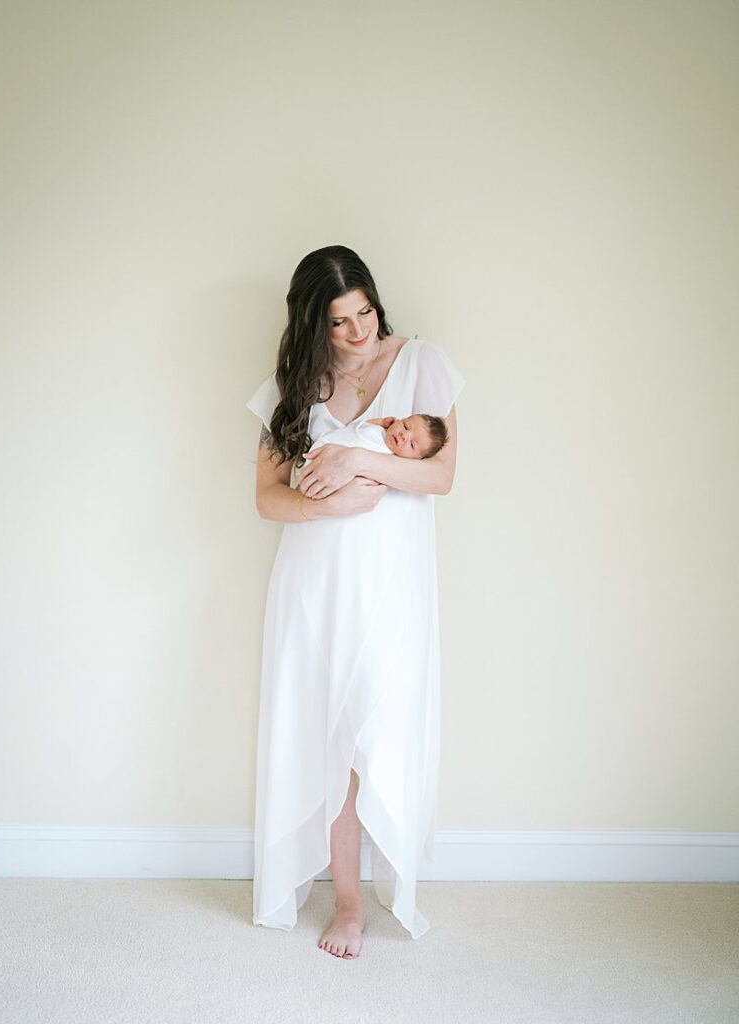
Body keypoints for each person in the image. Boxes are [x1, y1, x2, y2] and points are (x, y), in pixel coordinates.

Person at [246, 245, 465, 959]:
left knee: (382, 733)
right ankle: (346, 905)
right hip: (314, 589)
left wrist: (359, 458)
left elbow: (439, 479)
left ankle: (386, 884)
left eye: (364, 312)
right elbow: (267, 498)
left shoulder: (422, 365)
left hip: (392, 592)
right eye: (339, 322)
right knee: (330, 744)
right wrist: (329, 510)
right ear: (314, 324)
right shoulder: (294, 387)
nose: (357, 331)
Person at [285, 412, 449, 492]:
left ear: (414, 460)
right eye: (405, 426)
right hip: (316, 450)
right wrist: (378, 422)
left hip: (325, 475)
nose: (404, 435)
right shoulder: (380, 430)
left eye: (412, 444)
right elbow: (355, 429)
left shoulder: (387, 459)